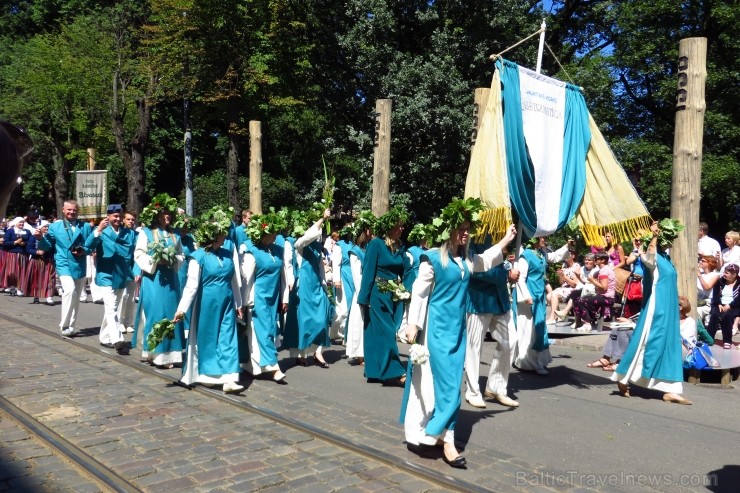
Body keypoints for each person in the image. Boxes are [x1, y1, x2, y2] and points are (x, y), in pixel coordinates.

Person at [402, 197, 516, 468]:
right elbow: (419, 292)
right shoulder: (432, 259)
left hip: (458, 332)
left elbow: (487, 260)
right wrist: (412, 324)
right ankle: (445, 439)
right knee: (448, 388)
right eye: (461, 228)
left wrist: (505, 240)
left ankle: (441, 433)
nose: (465, 233)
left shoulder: (466, 262)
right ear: (449, 231)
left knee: (454, 383)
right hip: (437, 332)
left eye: (468, 228)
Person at [611, 220, 691, 405]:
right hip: (657, 308)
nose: (674, 239)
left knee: (669, 345)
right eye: (670, 236)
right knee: (648, 342)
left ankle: (671, 389)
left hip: (669, 308)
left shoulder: (666, 259)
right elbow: (648, 257)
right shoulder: (651, 259)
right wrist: (654, 235)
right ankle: (622, 376)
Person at [174, 206, 244, 394]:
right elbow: (191, 286)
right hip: (206, 304)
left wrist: (239, 303)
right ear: (212, 235)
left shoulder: (228, 254)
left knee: (228, 337)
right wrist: (182, 310)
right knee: (208, 338)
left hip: (227, 303)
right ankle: (208, 375)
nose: (225, 236)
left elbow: (234, 281)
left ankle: (230, 378)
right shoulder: (198, 257)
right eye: (221, 233)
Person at [357, 206, 410, 386]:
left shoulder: (399, 247)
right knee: (386, 332)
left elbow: (407, 269)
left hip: (393, 293)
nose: (402, 229)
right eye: (399, 225)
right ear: (390, 226)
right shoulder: (376, 244)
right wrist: (363, 299)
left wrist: (406, 288)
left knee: (377, 331)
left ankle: (374, 371)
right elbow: (368, 271)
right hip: (377, 294)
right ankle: (395, 371)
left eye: (403, 226)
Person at [464, 242, 520, 408]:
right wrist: (505, 275)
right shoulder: (473, 236)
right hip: (478, 299)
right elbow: (473, 267)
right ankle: (473, 392)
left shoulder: (501, 231)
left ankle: (496, 387)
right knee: (474, 347)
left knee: (510, 342)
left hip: (500, 299)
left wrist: (509, 269)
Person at [133, 194, 186, 367]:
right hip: (153, 279)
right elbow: (139, 254)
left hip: (171, 279)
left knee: (172, 313)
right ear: (157, 215)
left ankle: (172, 354)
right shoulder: (146, 233)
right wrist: (155, 260)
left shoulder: (174, 235)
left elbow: (181, 255)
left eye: (169, 213)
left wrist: (172, 259)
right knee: (157, 313)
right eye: (164, 213)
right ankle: (155, 353)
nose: (167, 216)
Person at [240, 210, 289, 384]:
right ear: (263, 233)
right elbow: (247, 280)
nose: (275, 236)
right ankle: (274, 367)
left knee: (266, 330)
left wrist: (285, 298)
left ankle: (251, 366)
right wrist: (244, 303)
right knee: (264, 331)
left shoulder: (277, 250)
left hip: (273, 298)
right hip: (258, 297)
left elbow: (283, 276)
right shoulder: (251, 251)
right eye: (272, 233)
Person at [513, 236, 573, 375]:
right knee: (528, 330)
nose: (544, 240)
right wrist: (527, 296)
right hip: (527, 297)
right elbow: (520, 278)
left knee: (538, 328)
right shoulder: (525, 255)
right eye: (541, 237)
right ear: (533, 239)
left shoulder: (541, 253)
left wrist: (567, 246)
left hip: (538, 296)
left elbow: (555, 256)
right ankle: (528, 362)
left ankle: (534, 361)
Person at [283, 208, 333, 367]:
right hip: (303, 283)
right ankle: (301, 354)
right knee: (304, 320)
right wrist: (322, 219)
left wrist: (324, 284)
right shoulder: (298, 243)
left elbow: (319, 267)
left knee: (322, 317)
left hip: (316, 283)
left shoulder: (318, 246)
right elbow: (307, 237)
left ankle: (318, 351)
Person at [35, 200, 93, 336]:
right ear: (63, 210)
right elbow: (46, 245)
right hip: (63, 263)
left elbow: (91, 246)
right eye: (69, 210)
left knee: (76, 297)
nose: (72, 212)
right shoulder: (55, 227)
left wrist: (83, 250)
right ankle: (64, 324)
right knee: (69, 291)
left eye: (74, 210)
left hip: (79, 264)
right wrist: (39, 238)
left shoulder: (85, 227)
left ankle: (71, 326)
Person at [84, 204, 136, 355]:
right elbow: (87, 247)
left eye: (119, 216)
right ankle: (117, 339)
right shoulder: (102, 232)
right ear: (108, 216)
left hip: (121, 274)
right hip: (106, 274)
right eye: (114, 216)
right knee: (111, 306)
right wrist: (98, 230)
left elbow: (134, 252)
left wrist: (135, 271)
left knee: (113, 307)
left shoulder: (128, 233)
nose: (117, 219)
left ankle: (105, 337)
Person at [344, 212, 375, 365]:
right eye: (369, 229)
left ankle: (366, 352)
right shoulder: (355, 252)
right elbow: (358, 277)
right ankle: (359, 354)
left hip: (369, 290)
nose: (372, 231)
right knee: (359, 322)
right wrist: (364, 295)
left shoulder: (369, 248)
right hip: (361, 292)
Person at [572, 251, 616, 331]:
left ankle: (587, 323)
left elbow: (604, 287)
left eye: (596, 258)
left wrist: (592, 280)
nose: (594, 259)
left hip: (606, 298)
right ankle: (588, 321)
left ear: (602, 260)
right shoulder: (603, 269)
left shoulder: (604, 271)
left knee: (580, 300)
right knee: (582, 299)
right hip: (605, 297)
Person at [706, 262, 740, 349]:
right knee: (714, 315)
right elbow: (716, 295)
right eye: (724, 272)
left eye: (727, 273)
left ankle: (727, 340)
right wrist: (718, 304)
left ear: (734, 274)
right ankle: (709, 338)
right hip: (721, 304)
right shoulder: (720, 282)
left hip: (734, 306)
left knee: (727, 316)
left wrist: (730, 305)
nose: (724, 274)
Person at [24, 223, 56, 305]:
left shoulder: (51, 237)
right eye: (44, 226)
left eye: (48, 227)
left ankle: (49, 297)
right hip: (36, 260)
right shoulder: (33, 237)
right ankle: (36, 296)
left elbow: (53, 248)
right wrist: (36, 252)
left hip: (48, 260)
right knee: (37, 278)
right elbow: (28, 249)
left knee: (49, 279)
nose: (46, 228)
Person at [118, 211, 140, 333]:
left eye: (133, 219)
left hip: (133, 270)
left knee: (131, 298)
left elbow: (138, 255)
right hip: (121, 269)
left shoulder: (138, 235)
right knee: (123, 297)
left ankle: (128, 322)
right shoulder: (120, 233)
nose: (131, 221)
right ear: (123, 220)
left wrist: (137, 271)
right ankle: (120, 321)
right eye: (128, 219)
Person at [545, 249, 580, 324]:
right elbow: (561, 283)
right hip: (564, 288)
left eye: (567, 254)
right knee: (548, 296)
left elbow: (575, 284)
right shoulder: (564, 266)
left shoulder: (576, 267)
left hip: (573, 289)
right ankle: (558, 316)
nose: (565, 256)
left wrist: (564, 276)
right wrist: (561, 276)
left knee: (554, 294)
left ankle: (552, 318)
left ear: (573, 256)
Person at [2, 217, 31, 296]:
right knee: (12, 271)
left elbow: (30, 242)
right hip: (12, 254)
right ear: (16, 223)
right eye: (20, 222)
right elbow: (5, 243)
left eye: (22, 222)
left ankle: (19, 288)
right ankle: (12, 287)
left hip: (22, 254)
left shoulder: (27, 232)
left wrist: (24, 244)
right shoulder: (10, 231)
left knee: (21, 271)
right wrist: (15, 242)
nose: (21, 224)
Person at [696, 255, 721, 325]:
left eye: (703, 261)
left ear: (709, 263)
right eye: (700, 260)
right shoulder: (700, 274)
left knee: (697, 311)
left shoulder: (715, 275)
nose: (700, 262)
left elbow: (707, 287)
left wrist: (699, 276)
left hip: (708, 302)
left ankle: (698, 331)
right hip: (698, 301)